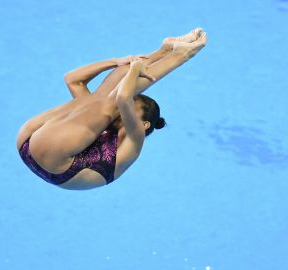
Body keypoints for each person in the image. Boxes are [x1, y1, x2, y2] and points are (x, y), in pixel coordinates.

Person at [17, 27, 207, 190]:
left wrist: (134, 69)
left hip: (58, 167)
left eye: (133, 106)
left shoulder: (135, 138)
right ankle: (164, 50)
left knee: (110, 100)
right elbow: (72, 79)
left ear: (145, 124)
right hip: (30, 140)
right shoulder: (99, 117)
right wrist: (117, 62)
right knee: (99, 98)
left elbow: (123, 98)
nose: (123, 111)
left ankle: (182, 55)